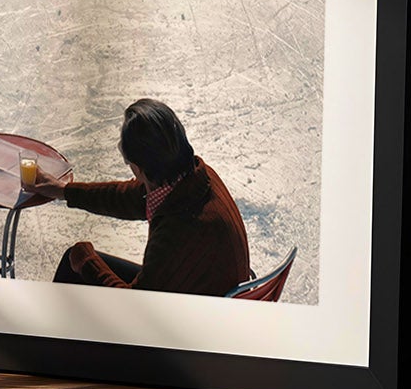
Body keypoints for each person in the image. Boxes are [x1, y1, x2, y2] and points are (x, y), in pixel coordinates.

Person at [31, 99, 250, 295]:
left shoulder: (178, 229)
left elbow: (136, 307)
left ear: (137, 167)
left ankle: (53, 341)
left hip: (197, 320)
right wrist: (64, 190)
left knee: (76, 265)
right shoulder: (193, 178)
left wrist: (88, 263)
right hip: (203, 292)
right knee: (75, 262)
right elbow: (133, 197)